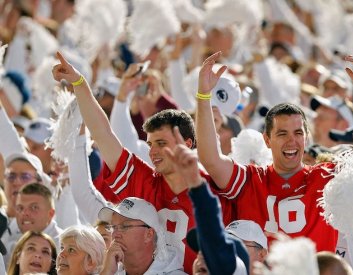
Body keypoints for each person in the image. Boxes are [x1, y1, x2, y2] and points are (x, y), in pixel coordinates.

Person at [52, 51, 230, 273]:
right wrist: (79, 83)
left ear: (186, 143)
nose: (153, 152)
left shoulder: (213, 187)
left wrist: (203, 96)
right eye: (150, 144)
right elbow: (103, 134)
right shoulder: (146, 182)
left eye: (162, 143)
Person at [195, 52, 353, 252]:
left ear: (306, 137)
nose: (292, 141)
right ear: (267, 140)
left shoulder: (325, 176)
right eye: (282, 134)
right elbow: (210, 159)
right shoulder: (250, 179)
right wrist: (204, 96)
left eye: (298, 133)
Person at [163, 127, 249, 275]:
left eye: (210, 251)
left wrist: (196, 184)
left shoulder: (229, 268)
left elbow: (211, 229)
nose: (201, 256)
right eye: (200, 251)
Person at [97, 197, 185, 275]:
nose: (115, 234)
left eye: (125, 226)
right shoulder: (108, 271)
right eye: (113, 227)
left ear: (148, 235)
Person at [4, 183, 62, 263]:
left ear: (50, 214)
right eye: (20, 208)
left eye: (34, 207)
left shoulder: (62, 248)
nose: (25, 213)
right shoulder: (8, 235)